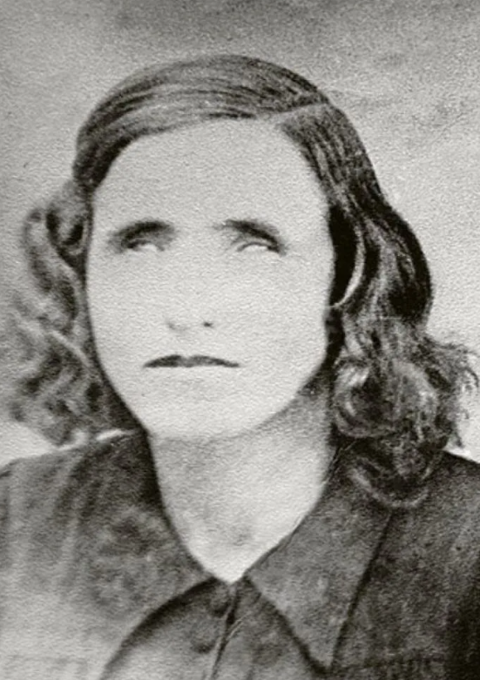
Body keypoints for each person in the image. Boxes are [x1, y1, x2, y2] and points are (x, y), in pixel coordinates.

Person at [0, 54, 479, 679]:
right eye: (139, 244)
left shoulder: (468, 551)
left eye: (255, 245)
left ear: (349, 277)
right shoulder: (15, 524)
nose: (186, 310)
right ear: (81, 273)